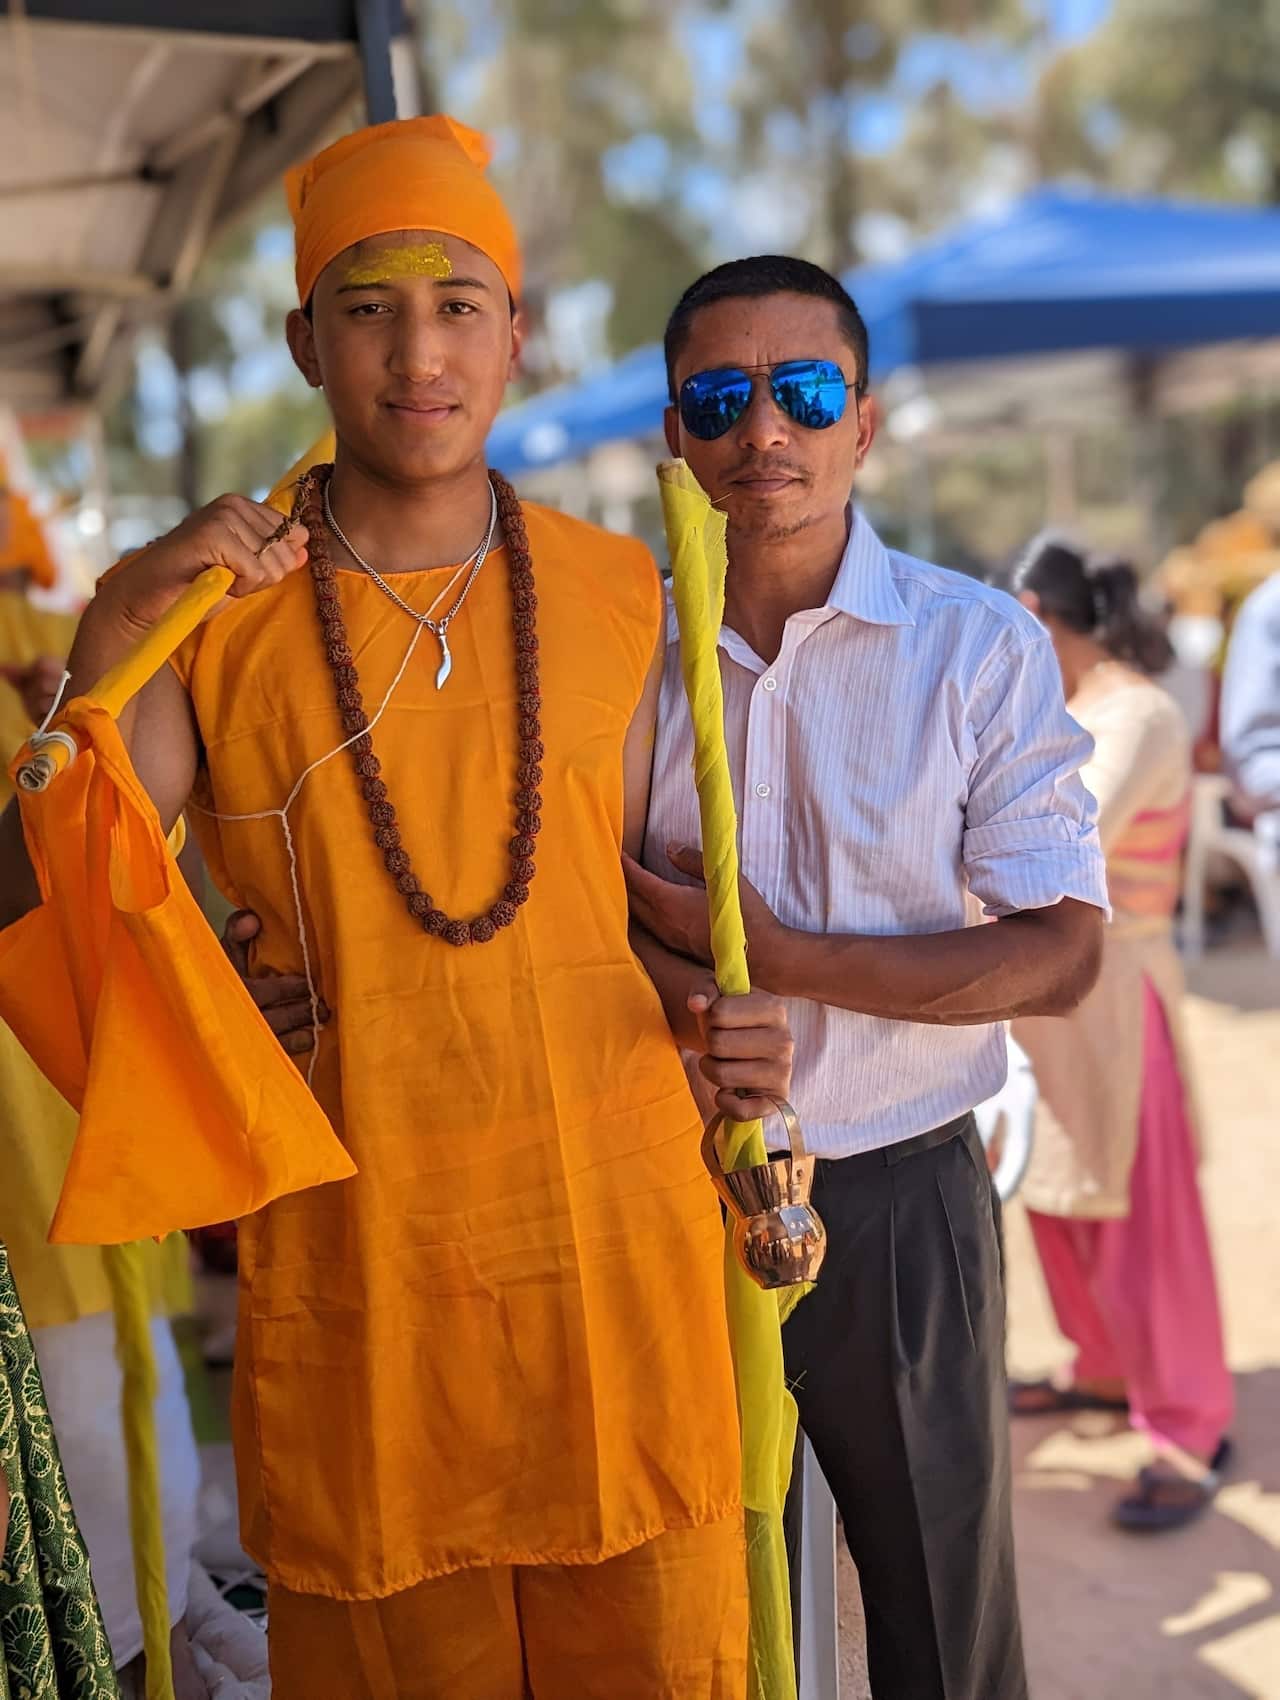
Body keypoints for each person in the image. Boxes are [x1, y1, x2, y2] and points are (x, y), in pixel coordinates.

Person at [0, 117, 796, 1700]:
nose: (416, 351)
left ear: (518, 334)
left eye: (457, 303)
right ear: (305, 340)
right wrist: (113, 625)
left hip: (613, 1240)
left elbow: (672, 896)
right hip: (368, 1248)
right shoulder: (218, 623)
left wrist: (739, 1030)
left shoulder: (629, 586)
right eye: (368, 307)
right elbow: (55, 879)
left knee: (651, 1645)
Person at [623, 255, 1109, 1700]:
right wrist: (682, 999)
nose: (762, 429)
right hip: (665, 1188)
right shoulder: (617, 654)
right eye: (721, 398)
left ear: (864, 425)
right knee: (700, 1612)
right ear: (677, 437)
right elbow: (585, 909)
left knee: (938, 1624)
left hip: (899, 1203)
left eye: (804, 390)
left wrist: (774, 960)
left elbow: (1062, 951)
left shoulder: (975, 647)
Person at [0, 506, 206, 1698]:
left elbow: (49, 853)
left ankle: (136, 1645)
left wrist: (90, 673)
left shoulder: (39, 624)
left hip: (45, 1122)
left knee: (101, 1422)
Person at [1007, 536, 1235, 1530]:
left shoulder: (1136, 710)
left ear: (1032, 608)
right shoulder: (1069, 707)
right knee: (1058, 1196)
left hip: (1113, 987)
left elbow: (1050, 846)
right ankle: (1101, 1368)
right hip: (1051, 989)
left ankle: (1186, 1422)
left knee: (1143, 1216)